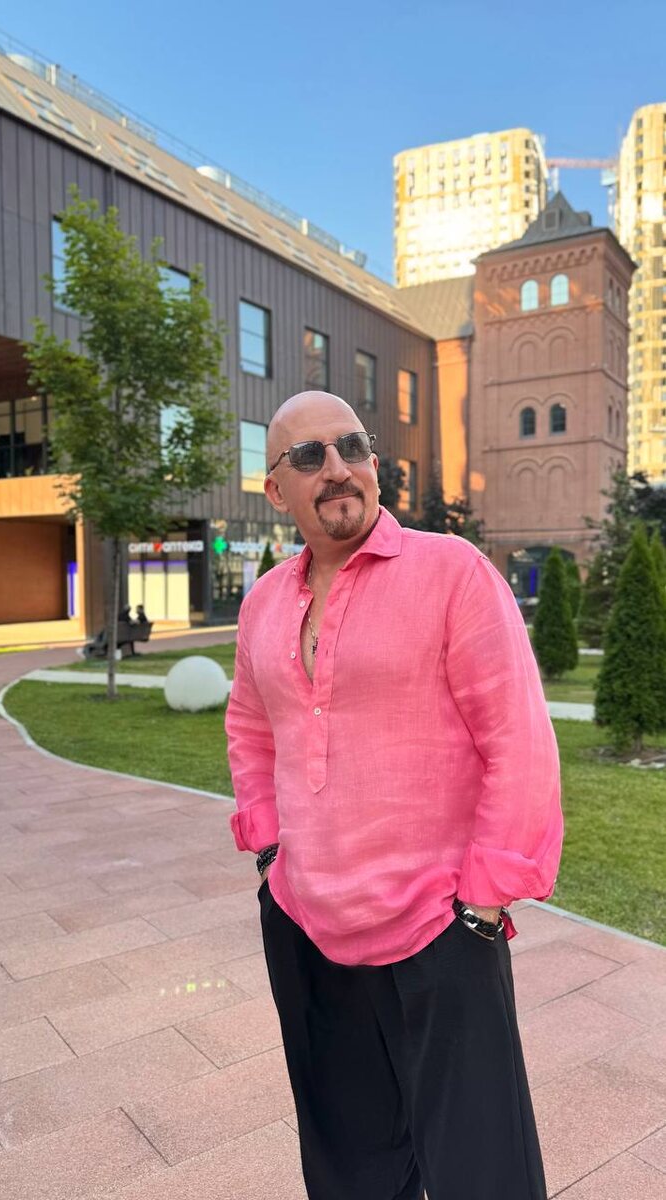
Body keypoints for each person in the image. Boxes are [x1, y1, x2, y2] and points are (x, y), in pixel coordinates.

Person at [225, 390, 563, 1200]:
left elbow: (516, 737)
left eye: (351, 447)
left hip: (439, 925)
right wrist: (270, 851)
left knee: (481, 1169)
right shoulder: (262, 604)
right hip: (306, 921)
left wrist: (482, 902)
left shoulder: (451, 572)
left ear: (374, 464)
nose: (337, 469)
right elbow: (249, 725)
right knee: (349, 1166)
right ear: (275, 490)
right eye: (309, 456)